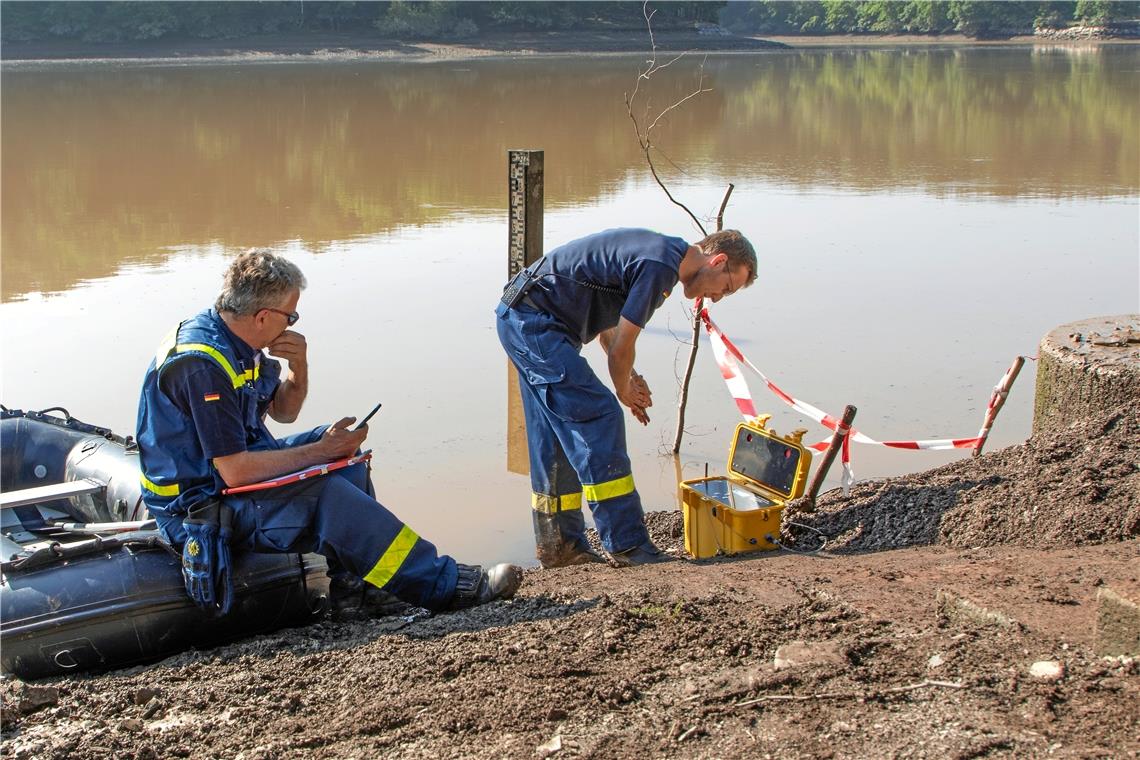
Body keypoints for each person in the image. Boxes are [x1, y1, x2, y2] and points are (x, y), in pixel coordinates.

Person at [137, 250, 521, 616]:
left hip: (223, 478)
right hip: (198, 505)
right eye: (292, 316)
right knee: (326, 492)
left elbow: (284, 414)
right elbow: (235, 471)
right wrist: (319, 453)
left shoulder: (240, 340)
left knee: (345, 461)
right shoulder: (203, 365)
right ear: (263, 316)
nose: (292, 323)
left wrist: (298, 367)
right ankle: (446, 586)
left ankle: (357, 591)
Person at [495, 227, 757, 568]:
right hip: (534, 324)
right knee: (599, 415)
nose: (717, 297)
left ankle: (559, 546)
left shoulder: (661, 254)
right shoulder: (659, 266)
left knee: (556, 431)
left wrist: (629, 379)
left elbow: (608, 329)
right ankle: (628, 545)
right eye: (726, 287)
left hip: (524, 318)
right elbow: (620, 350)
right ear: (718, 261)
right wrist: (622, 390)